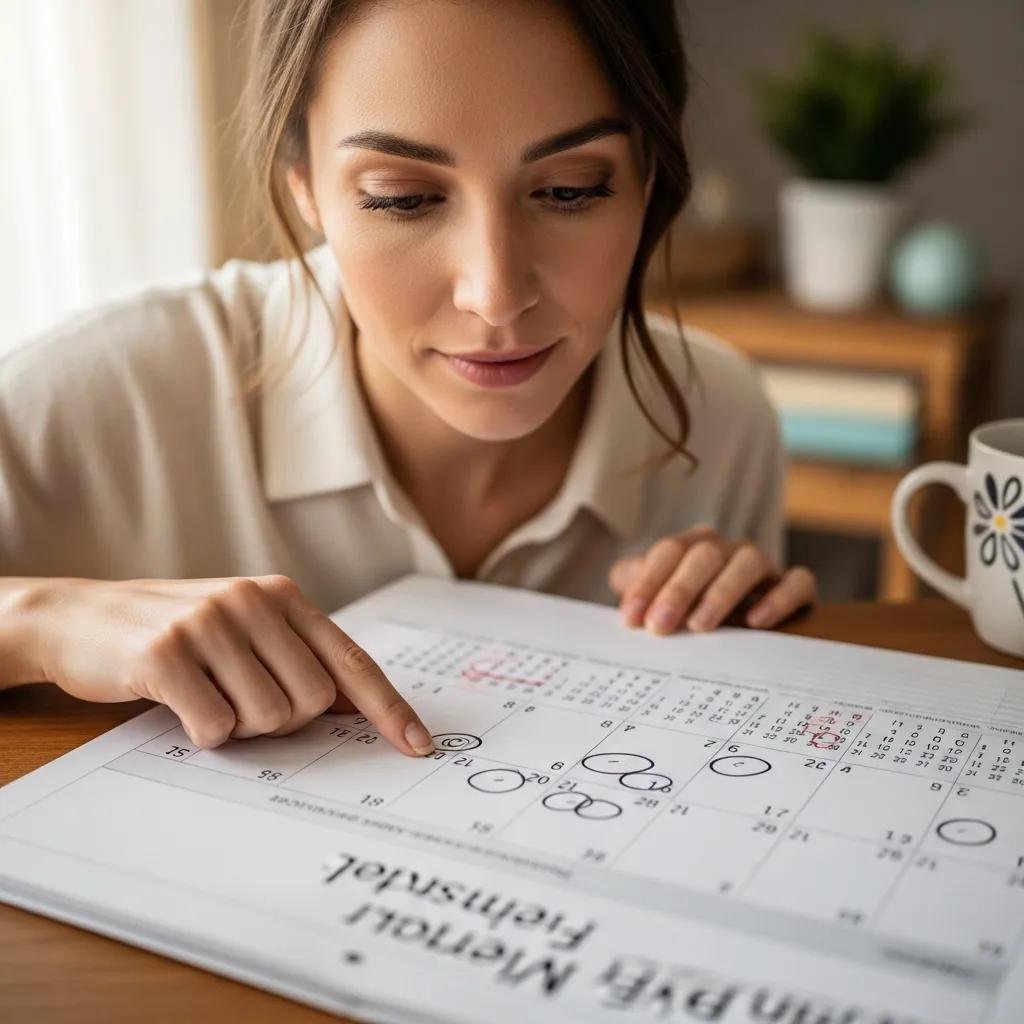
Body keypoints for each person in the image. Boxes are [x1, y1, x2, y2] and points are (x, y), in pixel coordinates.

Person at [0, 0, 815, 759]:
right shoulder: (106, 394)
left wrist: (743, 632)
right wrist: (37, 621)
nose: (494, 295)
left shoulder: (720, 421)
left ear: (649, 181)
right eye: (402, 199)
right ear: (306, 189)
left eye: (570, 190)